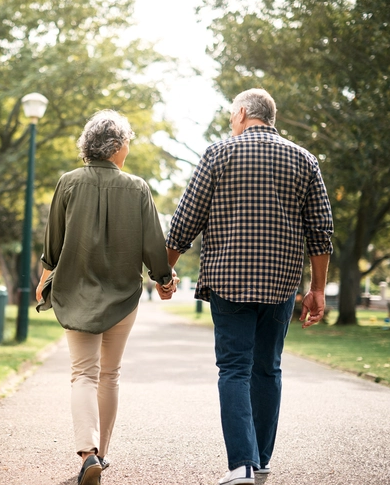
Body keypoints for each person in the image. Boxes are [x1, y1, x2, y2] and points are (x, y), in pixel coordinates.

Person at [164, 88, 333, 485]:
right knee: (267, 369)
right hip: (281, 283)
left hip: (229, 280)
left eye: (230, 115)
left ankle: (242, 464)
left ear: (242, 113)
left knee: (235, 369)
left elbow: (186, 220)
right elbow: (321, 232)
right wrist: (318, 289)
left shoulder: (218, 154)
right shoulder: (304, 159)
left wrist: (163, 271)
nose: (229, 122)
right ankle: (261, 463)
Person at [36, 109, 176, 485]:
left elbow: (54, 243)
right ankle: (102, 454)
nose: (128, 148)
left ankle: (88, 453)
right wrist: (164, 279)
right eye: (127, 141)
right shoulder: (138, 188)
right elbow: (152, 245)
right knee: (109, 375)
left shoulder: (67, 183)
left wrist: (45, 277)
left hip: (75, 290)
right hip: (122, 297)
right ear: (116, 146)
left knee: (83, 373)